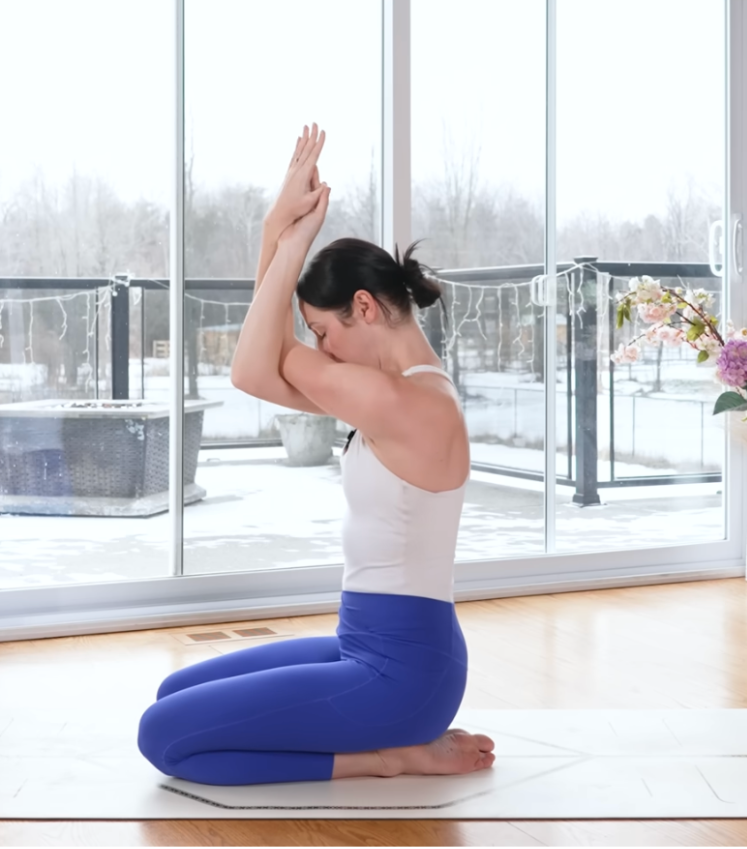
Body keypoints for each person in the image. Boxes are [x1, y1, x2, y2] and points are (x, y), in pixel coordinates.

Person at [137, 124, 494, 787]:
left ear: (363, 306)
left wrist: (291, 241)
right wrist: (275, 227)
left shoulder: (402, 404)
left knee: (163, 737)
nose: (321, 351)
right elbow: (266, 356)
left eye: (324, 332)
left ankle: (390, 757)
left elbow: (251, 370)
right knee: (173, 696)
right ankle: (394, 745)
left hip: (403, 676)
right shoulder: (387, 395)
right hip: (365, 646)